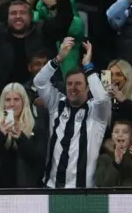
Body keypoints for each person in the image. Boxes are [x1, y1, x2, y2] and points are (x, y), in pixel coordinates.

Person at [33, 38, 112, 188]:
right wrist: (58, 59)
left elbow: (102, 99)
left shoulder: (96, 112)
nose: (72, 87)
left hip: (84, 190)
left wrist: (88, 67)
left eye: (78, 84)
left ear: (88, 88)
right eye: (69, 84)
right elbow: (39, 82)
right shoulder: (57, 104)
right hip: (52, 187)